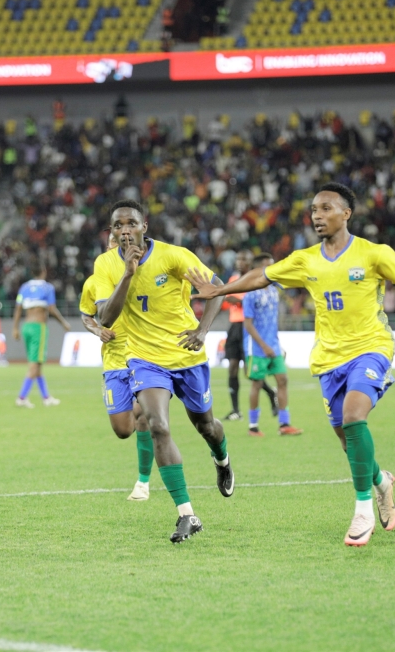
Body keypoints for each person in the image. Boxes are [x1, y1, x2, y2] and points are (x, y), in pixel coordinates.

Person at [186, 183, 395, 547]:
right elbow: (262, 277)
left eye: (326, 208)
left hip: (371, 347)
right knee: (347, 439)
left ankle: (362, 509)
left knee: (353, 417)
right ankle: (381, 482)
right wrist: (220, 291)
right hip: (328, 359)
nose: (317, 215)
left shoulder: (374, 253)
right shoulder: (305, 260)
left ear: (346, 213)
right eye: (314, 209)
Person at [93, 200, 233, 543]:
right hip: (145, 360)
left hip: (186, 355)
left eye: (131, 223)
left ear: (145, 226)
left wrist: (202, 331)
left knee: (206, 426)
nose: (124, 230)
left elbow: (216, 289)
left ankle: (222, 459)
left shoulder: (173, 256)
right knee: (157, 424)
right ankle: (187, 514)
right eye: (117, 225)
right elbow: (105, 318)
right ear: (111, 232)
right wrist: (128, 273)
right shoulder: (106, 265)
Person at [79, 254, 154, 501]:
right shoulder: (95, 281)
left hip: (144, 358)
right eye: (113, 240)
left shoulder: (146, 274)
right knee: (123, 430)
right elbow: (86, 315)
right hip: (113, 364)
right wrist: (97, 329)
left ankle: (143, 483)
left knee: (143, 414)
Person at [242, 253, 301, 437]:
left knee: (283, 380)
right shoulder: (251, 293)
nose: (272, 269)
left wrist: (276, 345)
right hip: (257, 347)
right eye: (268, 266)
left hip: (273, 345)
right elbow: (248, 324)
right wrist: (264, 346)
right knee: (257, 384)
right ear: (259, 269)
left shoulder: (274, 291)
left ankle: (284, 424)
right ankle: (253, 426)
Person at [223, 249, 278, 422]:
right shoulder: (233, 279)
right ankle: (235, 410)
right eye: (238, 259)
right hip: (234, 326)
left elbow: (252, 302)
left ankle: (271, 394)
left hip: (248, 327)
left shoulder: (256, 280)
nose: (240, 262)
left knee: (249, 372)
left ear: (250, 262)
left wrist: (237, 301)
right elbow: (226, 298)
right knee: (232, 367)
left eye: (243, 259)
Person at [12, 267, 71, 408]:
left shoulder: (24, 287)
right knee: (34, 364)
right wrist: (63, 322)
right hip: (39, 327)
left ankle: (46, 397)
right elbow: (51, 308)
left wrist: (15, 328)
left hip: (26, 327)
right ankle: (22, 397)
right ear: (43, 272)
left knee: (36, 364)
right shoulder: (47, 287)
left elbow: (18, 308)